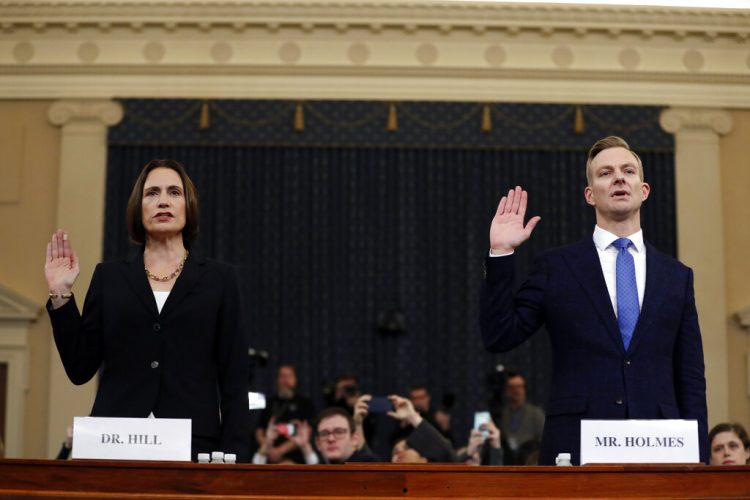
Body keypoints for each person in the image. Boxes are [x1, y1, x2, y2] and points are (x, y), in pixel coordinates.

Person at [480, 136, 708, 465]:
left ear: (643, 190)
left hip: (663, 448)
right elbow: (499, 335)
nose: (618, 178)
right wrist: (501, 253)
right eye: (605, 173)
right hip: (577, 445)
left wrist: (699, 459)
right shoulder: (557, 267)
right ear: (590, 195)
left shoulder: (677, 276)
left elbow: (690, 375)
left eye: (628, 171)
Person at [44, 159, 250, 462]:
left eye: (174, 193)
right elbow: (80, 367)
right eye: (152, 193)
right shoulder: (109, 276)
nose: (163, 201)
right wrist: (61, 293)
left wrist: (233, 455)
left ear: (188, 206)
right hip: (115, 438)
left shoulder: (220, 279)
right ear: (138, 208)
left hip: (194, 442)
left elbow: (234, 376)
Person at [255, 364, 315, 463]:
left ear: (295, 379)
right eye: (282, 376)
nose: (285, 380)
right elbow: (259, 431)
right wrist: (267, 448)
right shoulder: (270, 402)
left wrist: (280, 451)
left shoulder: (304, 402)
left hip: (295, 455)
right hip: (267, 453)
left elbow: (307, 431)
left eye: (289, 376)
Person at [500, 372, 544, 457]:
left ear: (524, 389)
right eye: (512, 387)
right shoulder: (501, 415)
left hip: (528, 462)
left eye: (519, 387)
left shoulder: (536, 413)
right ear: (506, 391)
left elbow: (545, 440)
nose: (515, 391)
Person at [314, 407, 379, 463]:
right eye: (324, 434)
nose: (331, 439)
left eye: (339, 432)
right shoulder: (312, 472)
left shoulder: (370, 466)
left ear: (354, 439)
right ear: (318, 443)